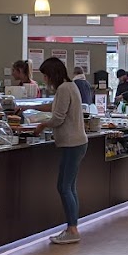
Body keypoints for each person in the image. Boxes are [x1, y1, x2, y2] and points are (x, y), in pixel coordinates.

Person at [40, 58, 88, 244]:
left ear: (52, 74)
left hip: (71, 143)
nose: (45, 79)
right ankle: (72, 226)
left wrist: (42, 125)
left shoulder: (63, 89)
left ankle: (72, 229)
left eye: (45, 75)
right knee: (69, 186)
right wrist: (32, 107)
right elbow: (57, 109)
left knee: (64, 187)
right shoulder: (71, 86)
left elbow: (58, 118)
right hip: (77, 142)